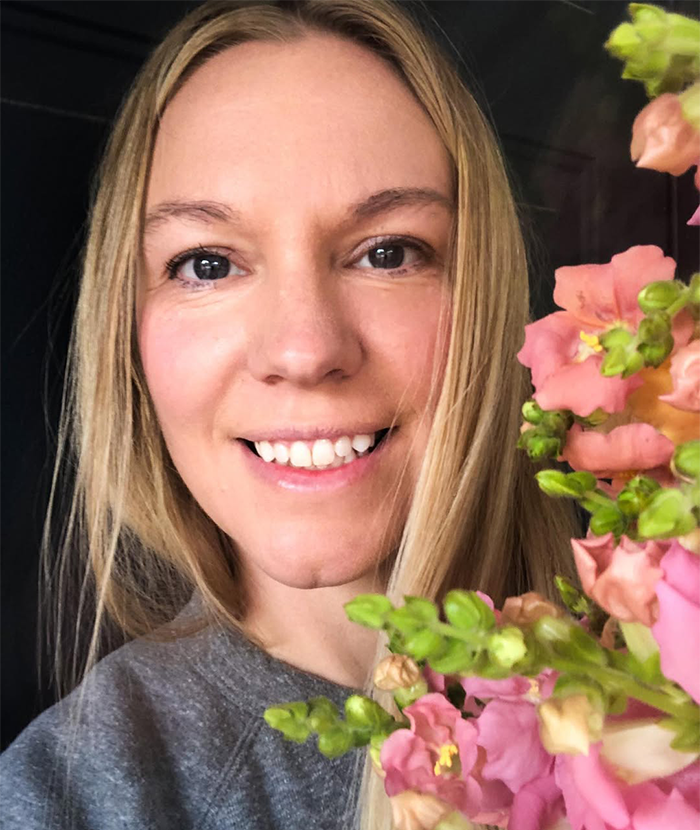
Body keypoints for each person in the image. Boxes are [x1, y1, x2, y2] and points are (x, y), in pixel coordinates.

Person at [0, 0, 576, 827]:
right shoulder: (70, 799)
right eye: (207, 264)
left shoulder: (651, 643)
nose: (304, 349)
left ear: (486, 295)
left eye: (388, 252)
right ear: (127, 329)